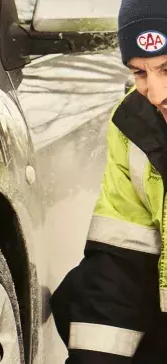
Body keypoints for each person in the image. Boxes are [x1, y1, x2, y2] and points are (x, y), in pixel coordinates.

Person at [50, 0, 167, 362]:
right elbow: (122, 261)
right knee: (80, 293)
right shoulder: (135, 123)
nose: (156, 93)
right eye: (140, 73)